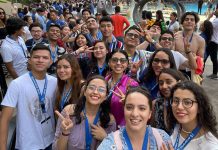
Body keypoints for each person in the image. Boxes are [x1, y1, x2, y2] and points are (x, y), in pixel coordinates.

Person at [0, 44, 57, 150]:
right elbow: (4, 119)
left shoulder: (55, 82)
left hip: (51, 141)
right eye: (36, 57)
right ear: (29, 60)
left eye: (45, 58)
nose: (40, 60)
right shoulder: (17, 84)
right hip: (27, 144)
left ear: (51, 62)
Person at [53, 75, 116, 150]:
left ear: (106, 96)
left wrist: (105, 138)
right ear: (85, 92)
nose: (95, 92)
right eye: (91, 88)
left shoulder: (110, 119)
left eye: (101, 90)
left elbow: (114, 147)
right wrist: (65, 132)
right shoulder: (69, 112)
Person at [98, 87, 171, 149]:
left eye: (142, 108)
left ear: (150, 113)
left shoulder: (162, 139)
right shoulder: (110, 143)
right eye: (129, 107)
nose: (135, 114)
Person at [167, 81, 218, 149]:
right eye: (176, 101)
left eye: (187, 102)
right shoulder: (177, 126)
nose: (179, 107)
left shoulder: (211, 146)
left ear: (200, 107)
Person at [106, 49, 138, 127]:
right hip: (102, 124)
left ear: (127, 64)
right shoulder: (104, 80)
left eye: (122, 61)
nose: (118, 63)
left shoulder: (132, 84)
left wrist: (127, 103)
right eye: (114, 60)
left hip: (120, 128)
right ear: (109, 63)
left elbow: (136, 110)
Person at [151, 68, 187, 133]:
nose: (164, 86)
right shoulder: (156, 104)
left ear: (179, 83)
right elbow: (153, 130)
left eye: (169, 82)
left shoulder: (188, 105)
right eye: (161, 83)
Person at [174, 12, 205, 79]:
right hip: (176, 71)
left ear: (195, 23)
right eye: (186, 19)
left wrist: (200, 74)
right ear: (182, 23)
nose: (189, 21)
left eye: (192, 20)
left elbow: (200, 60)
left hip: (191, 73)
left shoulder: (200, 40)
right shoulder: (175, 36)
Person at [206, 10, 218, 79]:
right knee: (213, 58)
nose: (215, 11)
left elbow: (206, 25)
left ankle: (214, 74)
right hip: (213, 41)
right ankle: (214, 73)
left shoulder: (216, 20)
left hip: (213, 42)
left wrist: (209, 17)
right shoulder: (215, 19)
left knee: (212, 58)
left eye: (217, 9)